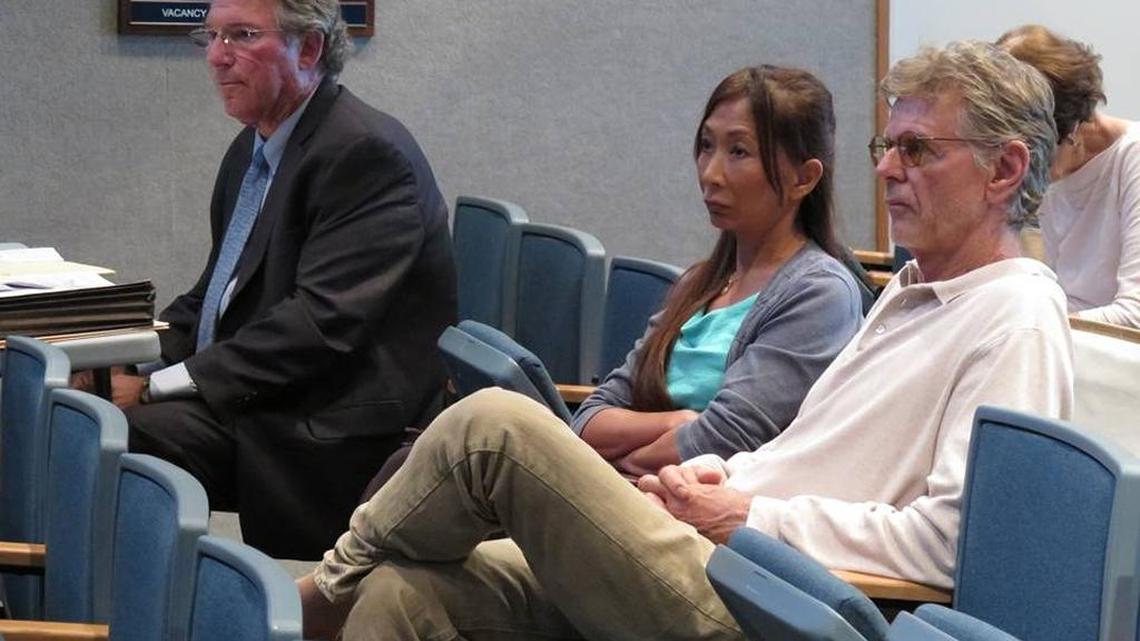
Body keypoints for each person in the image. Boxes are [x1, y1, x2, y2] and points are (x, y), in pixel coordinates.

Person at [298, 41, 1072, 641]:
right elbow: (802, 452)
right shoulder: (909, 293)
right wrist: (702, 478)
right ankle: (342, 588)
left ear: (1004, 168)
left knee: (492, 426)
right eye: (887, 147)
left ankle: (306, 597)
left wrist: (744, 515)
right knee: (402, 592)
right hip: (719, 545)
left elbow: (947, 545)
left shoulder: (1015, 316)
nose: (890, 172)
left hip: (773, 598)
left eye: (919, 150)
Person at [115, 0, 456, 560]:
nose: (219, 58)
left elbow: (319, 326)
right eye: (213, 36)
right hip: (266, 393)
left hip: (331, 425)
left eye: (243, 36)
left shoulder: (363, 154)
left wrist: (153, 386)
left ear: (309, 48)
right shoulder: (254, 147)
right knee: (84, 408)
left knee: (125, 434)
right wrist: (124, 357)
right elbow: (214, 298)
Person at [573, 66, 866, 475]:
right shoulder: (698, 283)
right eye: (707, 146)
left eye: (739, 152)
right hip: (632, 495)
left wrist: (621, 466)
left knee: (496, 427)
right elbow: (589, 417)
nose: (710, 174)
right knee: (494, 425)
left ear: (804, 178)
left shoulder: (820, 293)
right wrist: (676, 421)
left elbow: (721, 440)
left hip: (690, 519)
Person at [998, 24, 1140, 328]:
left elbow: (1135, 317)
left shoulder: (1133, 159)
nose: (1022, 166)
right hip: (1067, 338)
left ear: (1072, 128)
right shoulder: (1051, 160)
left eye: (1033, 150)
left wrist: (1028, 331)